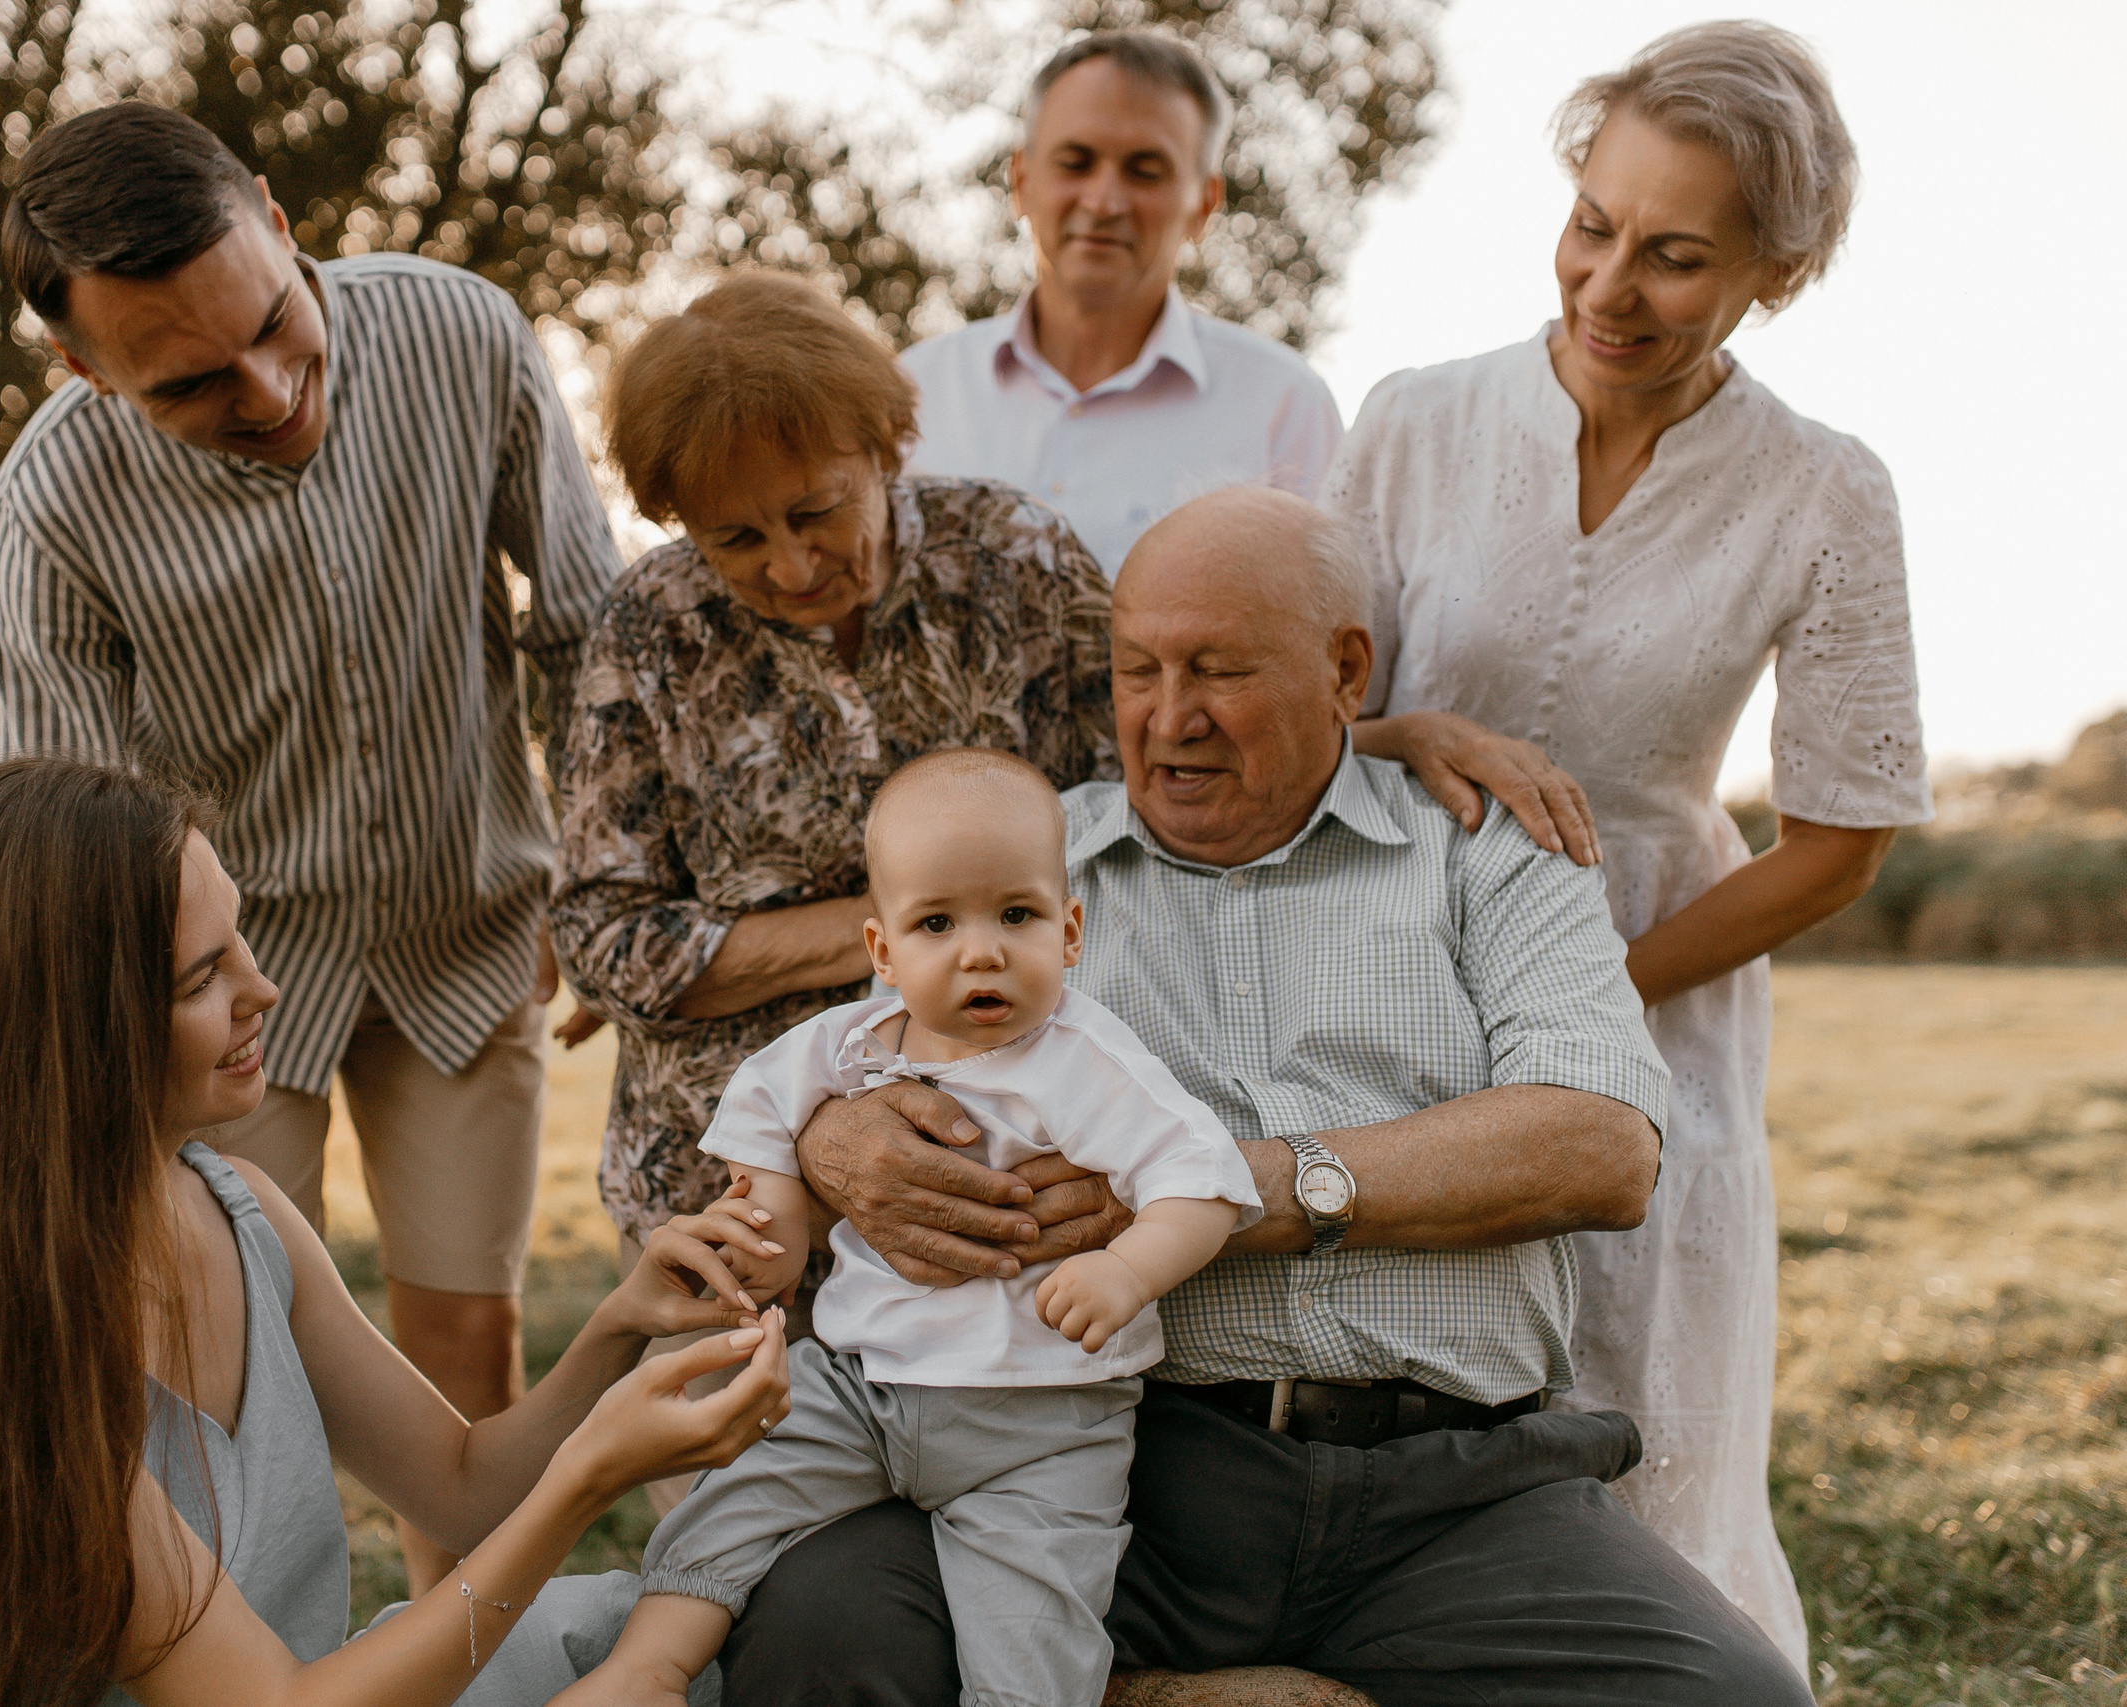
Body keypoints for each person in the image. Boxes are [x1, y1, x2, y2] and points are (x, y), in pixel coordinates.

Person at [686, 489, 1817, 1706]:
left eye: (1219, 671)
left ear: (1346, 672)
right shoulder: (1019, 872)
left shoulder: (1487, 845)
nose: (1170, 717)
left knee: (1732, 1701)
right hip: (1108, 1462)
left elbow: (1598, 1146)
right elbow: (857, 1062)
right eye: (1137, 671)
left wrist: (1226, 1192)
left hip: (1452, 1489)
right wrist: (834, 1137)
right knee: (821, 1631)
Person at [1322, 22, 1932, 1669]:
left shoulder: (1824, 489)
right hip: (1397, 965)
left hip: (1659, 983)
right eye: (1594, 224)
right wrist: (1408, 731)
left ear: (1776, 272)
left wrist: (1601, 987)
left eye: (1676, 256)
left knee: (1646, 1411)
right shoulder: (1413, 421)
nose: (1610, 284)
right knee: (1419, 1413)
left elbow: (1842, 839)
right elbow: (1299, 724)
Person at [0, 757, 791, 1707]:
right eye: (201, 978)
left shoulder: (233, 1208)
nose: (263, 988)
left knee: (676, 1633)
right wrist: (587, 1477)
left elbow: (463, 1486)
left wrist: (620, 1330)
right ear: (67, 1032)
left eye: (239, 939)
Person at [0, 103, 622, 1591]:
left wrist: (596, 882)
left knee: (466, 1348)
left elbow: (589, 632)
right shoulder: (52, 506)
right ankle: (246, 1657)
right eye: (193, 382)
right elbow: (66, 829)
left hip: (469, 936)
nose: (269, 391)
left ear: (274, 217)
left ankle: (470, 1661)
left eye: (273, 322)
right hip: (219, 989)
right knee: (212, 1354)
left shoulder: (464, 335)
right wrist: (154, 1011)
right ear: (81, 366)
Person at [557, 750, 1260, 1707]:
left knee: (1037, 1628)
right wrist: (780, 1220)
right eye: (938, 923)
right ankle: (646, 1667)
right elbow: (760, 1102)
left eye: (1016, 915)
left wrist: (1129, 1270)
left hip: (1039, 1424)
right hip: (862, 1384)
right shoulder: (848, 1042)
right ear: (882, 951)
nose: (981, 951)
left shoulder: (1086, 1061)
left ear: (1069, 930)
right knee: (737, 1494)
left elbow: (1203, 1179)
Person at [548, 272, 1119, 1331]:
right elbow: (603, 938)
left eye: (816, 510)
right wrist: (903, 929)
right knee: (732, 1446)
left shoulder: (1017, 562)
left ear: (883, 446)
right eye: (736, 539)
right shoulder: (652, 624)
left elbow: (1126, 827)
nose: (792, 563)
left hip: (1003, 1198)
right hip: (727, 1213)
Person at [898, 32, 1343, 577]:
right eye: (1075, 162)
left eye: (1145, 171)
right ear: (1021, 181)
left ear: (1203, 205)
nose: (1104, 201)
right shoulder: (914, 393)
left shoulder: (1285, 408)